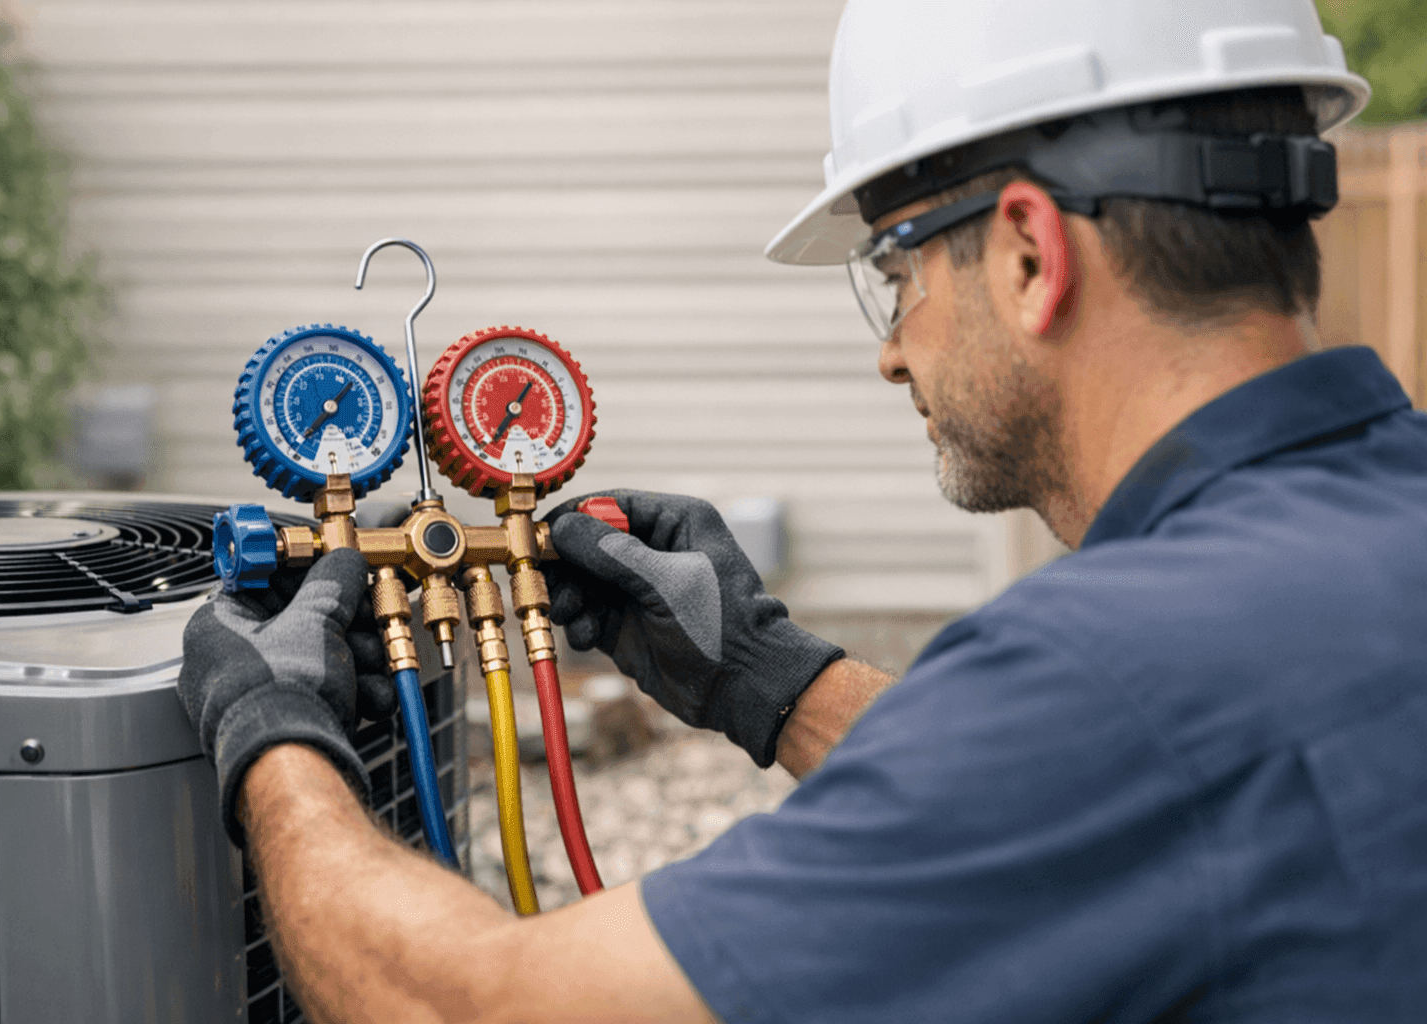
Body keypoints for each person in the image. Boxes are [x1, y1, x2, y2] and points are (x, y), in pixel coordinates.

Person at [178, 1, 1427, 1020]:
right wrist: (778, 680)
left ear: (1030, 256)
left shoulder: (1111, 679)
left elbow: (478, 1008)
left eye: (896, 275)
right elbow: (1080, 805)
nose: (892, 355)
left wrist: (272, 736)